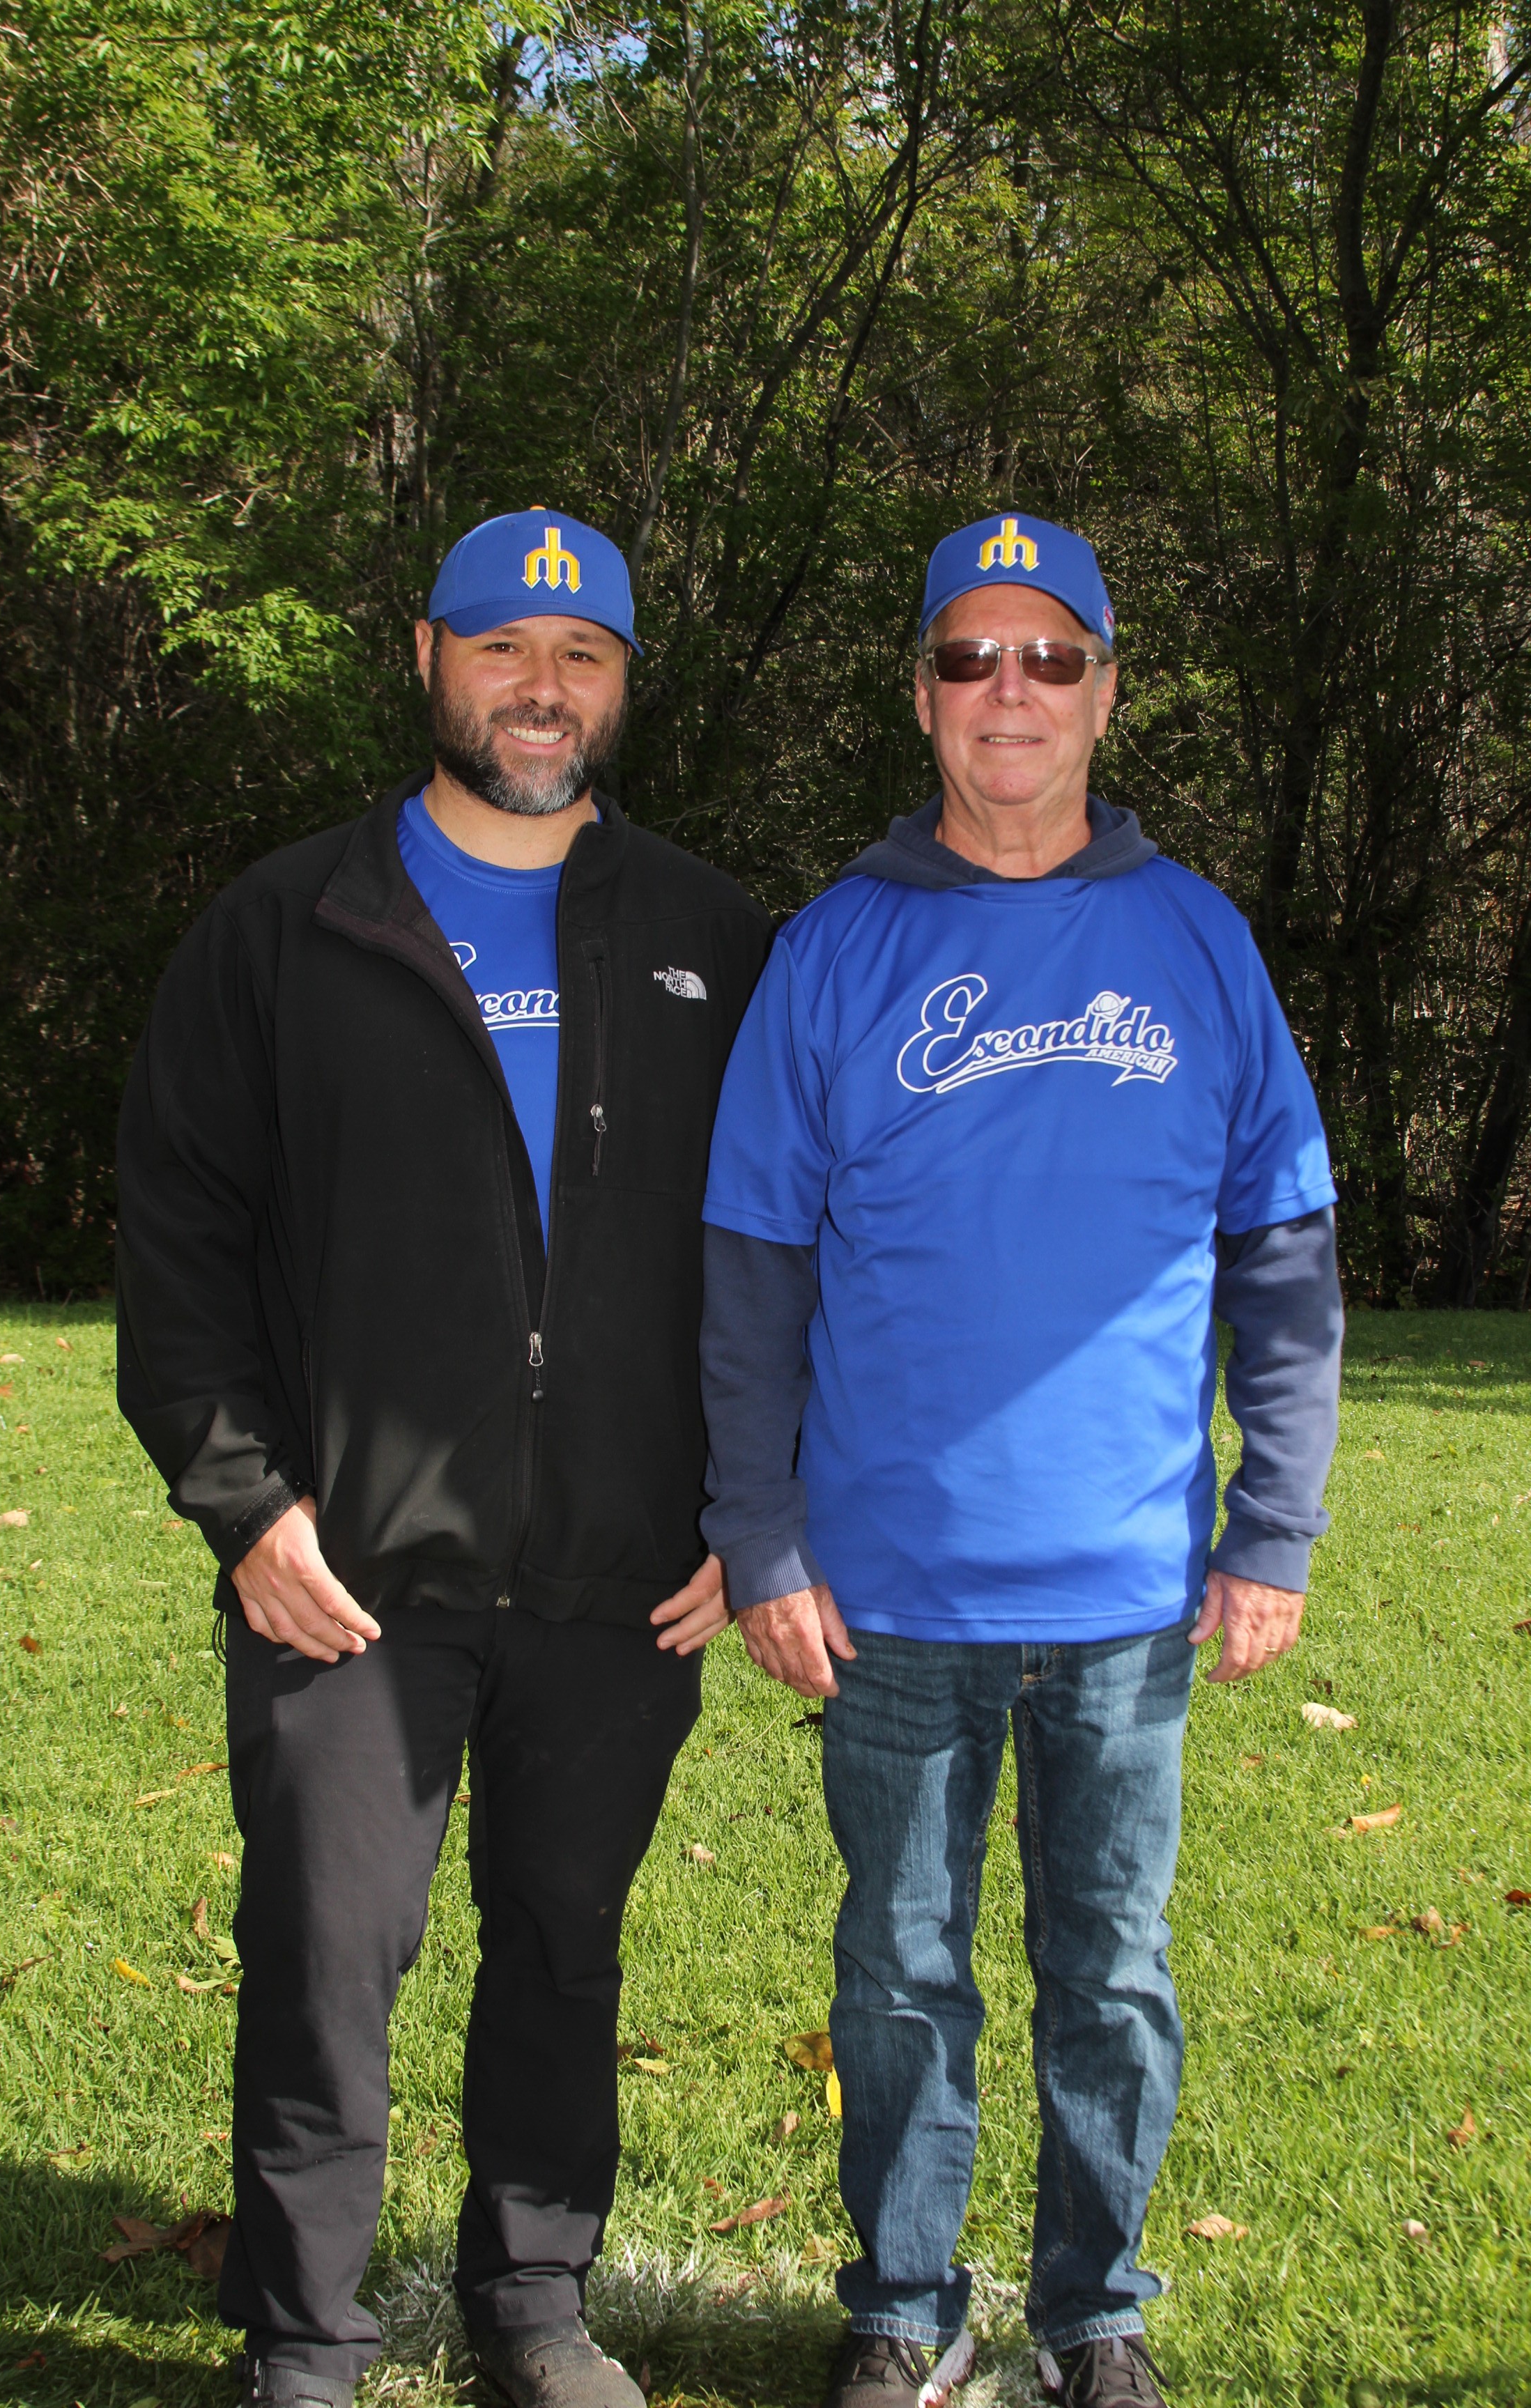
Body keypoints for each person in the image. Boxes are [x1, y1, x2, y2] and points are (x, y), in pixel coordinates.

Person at [116, 509, 770, 2408]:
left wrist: (760, 1500)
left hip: (623, 1564)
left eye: (581, 657)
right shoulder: (288, 926)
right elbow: (178, 1232)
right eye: (502, 649)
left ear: (623, 682)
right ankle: (305, 2340)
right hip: (351, 1571)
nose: (540, 689)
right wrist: (246, 1503)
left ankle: (533, 2305)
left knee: (562, 1942)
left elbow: (797, 1241)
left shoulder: (716, 940)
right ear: (427, 656)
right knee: (328, 1956)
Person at [698, 513, 1342, 2408]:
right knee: (900, 1970)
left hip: (1129, 1584)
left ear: (1106, 694)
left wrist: (1274, 1525)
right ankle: (903, 2307)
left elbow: (1284, 1254)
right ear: (922, 697)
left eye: (1051, 658)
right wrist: (760, 1533)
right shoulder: (836, 947)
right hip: (888, 1590)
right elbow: (752, 1270)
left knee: (1111, 1974)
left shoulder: (1197, 940)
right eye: (972, 657)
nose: (1012, 692)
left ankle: (1092, 2313)